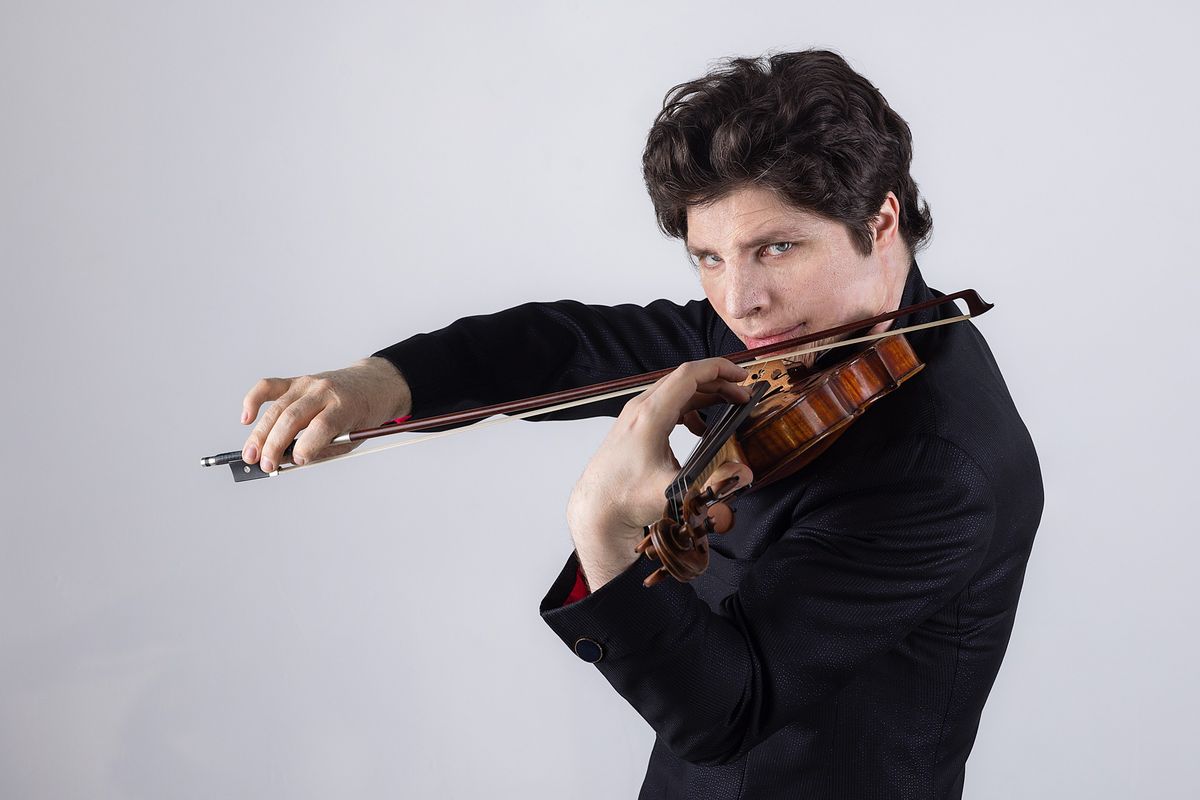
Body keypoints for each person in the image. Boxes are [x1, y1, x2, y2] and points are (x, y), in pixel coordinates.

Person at [237, 50, 1043, 800]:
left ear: (879, 221)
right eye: (710, 257)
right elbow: (565, 346)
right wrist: (379, 386)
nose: (738, 302)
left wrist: (605, 535)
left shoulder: (939, 465)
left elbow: (728, 712)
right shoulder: (792, 333)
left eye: (777, 248)